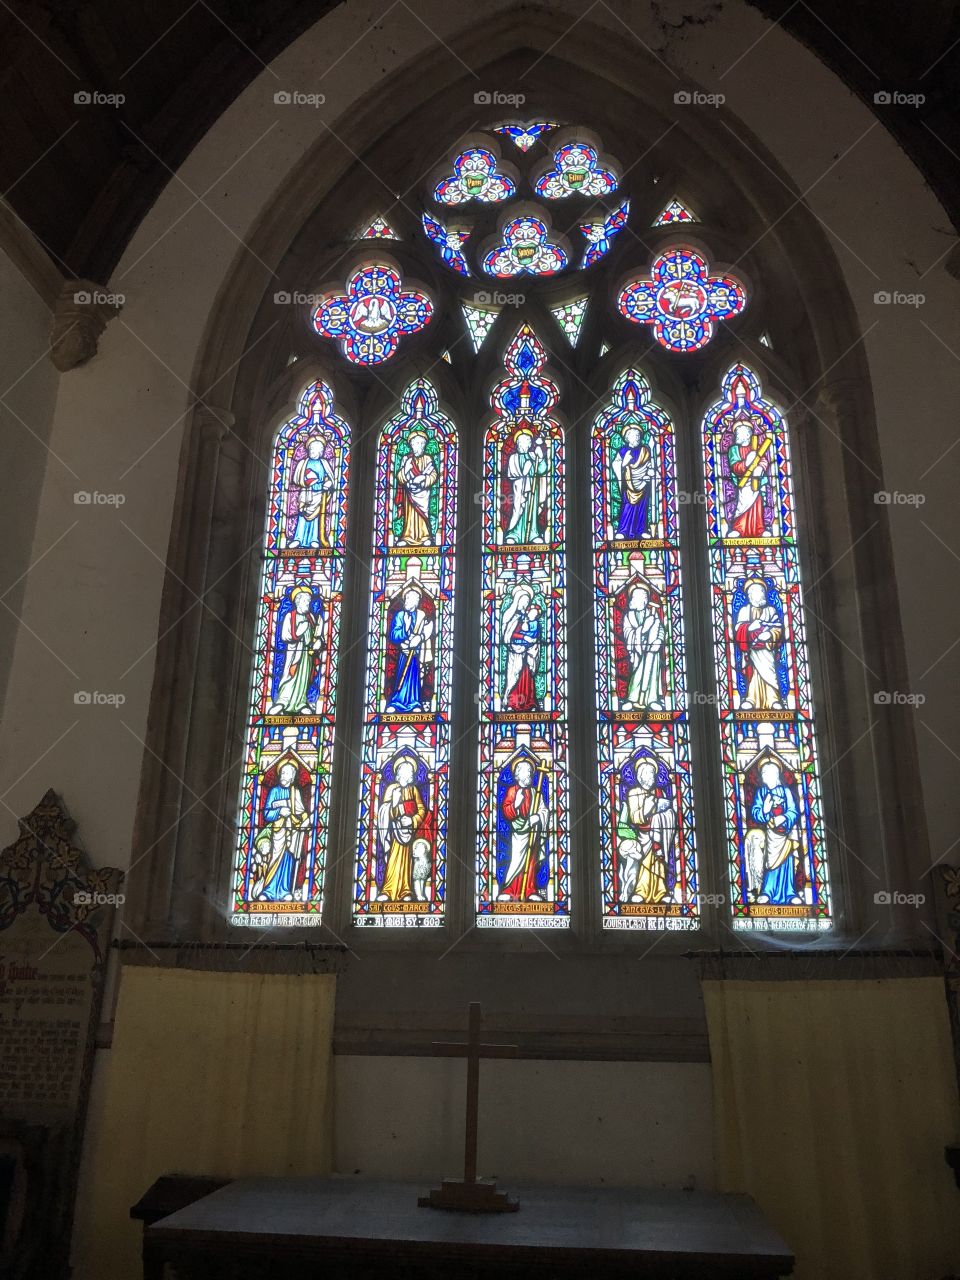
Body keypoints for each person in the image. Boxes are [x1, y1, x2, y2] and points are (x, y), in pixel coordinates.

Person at [616, 759, 676, 904]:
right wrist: (647, 808)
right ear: (640, 776)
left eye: (652, 774)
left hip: (657, 835)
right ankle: (640, 891)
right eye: (648, 774)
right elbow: (635, 817)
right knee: (643, 864)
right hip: (641, 835)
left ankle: (661, 892)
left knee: (658, 864)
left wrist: (663, 814)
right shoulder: (633, 793)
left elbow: (668, 812)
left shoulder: (659, 792)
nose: (651, 777)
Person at [744, 761, 802, 905]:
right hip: (770, 834)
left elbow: (793, 811)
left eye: (766, 773)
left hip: (785, 834)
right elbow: (756, 813)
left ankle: (789, 893)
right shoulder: (761, 793)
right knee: (769, 863)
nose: (763, 776)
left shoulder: (786, 791)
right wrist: (764, 810)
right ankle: (767, 891)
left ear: (775, 775)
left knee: (787, 863)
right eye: (762, 773)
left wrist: (784, 817)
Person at [251, 762, 309, 902]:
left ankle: (285, 891)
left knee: (288, 860)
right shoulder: (274, 791)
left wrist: (304, 820)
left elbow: (301, 812)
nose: (284, 775)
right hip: (276, 831)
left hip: (292, 831)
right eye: (282, 772)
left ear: (292, 776)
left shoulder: (296, 792)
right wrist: (279, 811)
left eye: (287, 773)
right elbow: (267, 814)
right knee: (273, 859)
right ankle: (268, 890)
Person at [376, 757, 427, 902]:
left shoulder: (413, 790)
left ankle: (406, 891)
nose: (407, 774)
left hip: (409, 832)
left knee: (407, 861)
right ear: (398, 773)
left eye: (409, 772)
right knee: (393, 859)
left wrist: (411, 820)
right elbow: (384, 811)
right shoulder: (392, 789)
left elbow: (422, 810)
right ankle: (388, 890)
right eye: (404, 771)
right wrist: (395, 805)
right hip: (394, 832)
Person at [498, 759, 548, 901]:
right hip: (518, 833)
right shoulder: (512, 791)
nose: (530, 776)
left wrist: (538, 817)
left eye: (531, 773)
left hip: (532, 832)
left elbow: (543, 810)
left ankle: (530, 891)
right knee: (515, 861)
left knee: (531, 861)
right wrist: (517, 804)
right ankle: (509, 889)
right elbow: (506, 811)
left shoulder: (535, 791)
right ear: (518, 775)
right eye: (527, 773)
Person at [268, 587, 322, 715]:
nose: (307, 605)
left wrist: (318, 642)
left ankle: (302, 703)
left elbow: (316, 635)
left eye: (308, 602)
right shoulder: (289, 616)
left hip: (307, 654)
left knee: (303, 679)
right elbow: (285, 636)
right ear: (298, 602)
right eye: (305, 602)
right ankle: (282, 701)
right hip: (293, 653)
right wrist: (299, 630)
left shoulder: (311, 618)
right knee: (289, 675)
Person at [735, 580, 785, 710]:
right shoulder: (744, 611)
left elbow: (778, 628)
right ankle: (751, 699)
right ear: (751, 595)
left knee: (770, 673)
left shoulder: (771, 610)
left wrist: (769, 635)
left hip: (767, 649)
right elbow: (738, 629)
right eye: (759, 592)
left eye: (763, 591)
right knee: (753, 674)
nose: (762, 594)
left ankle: (774, 699)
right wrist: (750, 627)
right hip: (751, 650)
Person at [386, 588, 433, 713]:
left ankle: (415, 703)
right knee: (400, 677)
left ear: (416, 601)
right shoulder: (400, 616)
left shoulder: (421, 615)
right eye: (405, 598)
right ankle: (396, 702)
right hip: (403, 654)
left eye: (409, 599)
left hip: (416, 654)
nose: (406, 601)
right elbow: (394, 635)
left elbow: (426, 632)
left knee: (414, 679)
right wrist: (404, 634)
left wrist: (420, 638)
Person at [726, 421, 771, 538]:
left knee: (757, 503)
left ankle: (760, 529)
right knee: (742, 504)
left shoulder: (755, 448)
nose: (737, 436)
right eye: (737, 433)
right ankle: (738, 528)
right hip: (743, 481)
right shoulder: (734, 450)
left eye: (740, 433)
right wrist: (746, 462)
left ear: (748, 434)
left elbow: (763, 460)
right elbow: (735, 466)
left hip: (755, 481)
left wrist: (760, 469)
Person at [622, 585, 664, 711]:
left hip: (652, 650)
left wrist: (658, 640)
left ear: (644, 600)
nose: (632, 600)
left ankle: (651, 700)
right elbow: (627, 633)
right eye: (632, 597)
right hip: (638, 651)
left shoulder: (652, 615)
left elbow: (660, 629)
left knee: (652, 676)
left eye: (635, 598)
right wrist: (644, 628)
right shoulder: (629, 617)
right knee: (637, 674)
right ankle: (632, 699)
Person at [501, 586, 541, 712]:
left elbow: (535, 634)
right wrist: (524, 636)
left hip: (528, 652)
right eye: (523, 602)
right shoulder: (513, 617)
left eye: (527, 603)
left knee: (527, 676)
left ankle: (529, 703)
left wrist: (532, 642)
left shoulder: (529, 619)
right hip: (515, 652)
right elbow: (509, 635)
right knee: (514, 676)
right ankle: (512, 703)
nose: (525, 605)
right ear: (517, 602)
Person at [289, 437, 333, 548]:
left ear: (320, 452)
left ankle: (314, 539)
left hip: (319, 494)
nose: (312, 452)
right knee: (302, 515)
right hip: (306, 493)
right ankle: (298, 539)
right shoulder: (303, 463)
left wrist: (328, 483)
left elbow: (330, 477)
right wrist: (305, 479)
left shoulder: (324, 463)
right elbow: (296, 479)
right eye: (311, 450)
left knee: (316, 517)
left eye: (314, 451)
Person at [504, 431, 547, 543]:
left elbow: (542, 470)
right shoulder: (513, 457)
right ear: (518, 443)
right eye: (522, 442)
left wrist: (541, 458)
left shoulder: (533, 456)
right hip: (520, 488)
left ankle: (533, 534)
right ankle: (513, 534)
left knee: (532, 510)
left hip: (533, 488)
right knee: (517, 509)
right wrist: (525, 471)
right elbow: (511, 474)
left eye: (527, 442)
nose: (525, 445)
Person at [395, 432, 437, 546]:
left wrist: (423, 479)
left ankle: (425, 537)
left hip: (423, 494)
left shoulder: (428, 459)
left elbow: (433, 475)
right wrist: (406, 470)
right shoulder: (406, 459)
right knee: (410, 516)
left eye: (421, 443)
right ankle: (406, 537)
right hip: (409, 493)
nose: (418, 446)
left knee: (423, 514)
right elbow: (399, 477)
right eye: (416, 443)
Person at [612, 425, 654, 539]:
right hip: (628, 484)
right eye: (633, 435)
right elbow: (615, 465)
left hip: (643, 483)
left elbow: (650, 464)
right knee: (627, 506)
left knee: (642, 507)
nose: (637, 437)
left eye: (638, 435)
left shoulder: (645, 450)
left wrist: (650, 470)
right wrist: (624, 463)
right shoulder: (623, 451)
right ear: (627, 438)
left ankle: (642, 530)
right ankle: (623, 530)